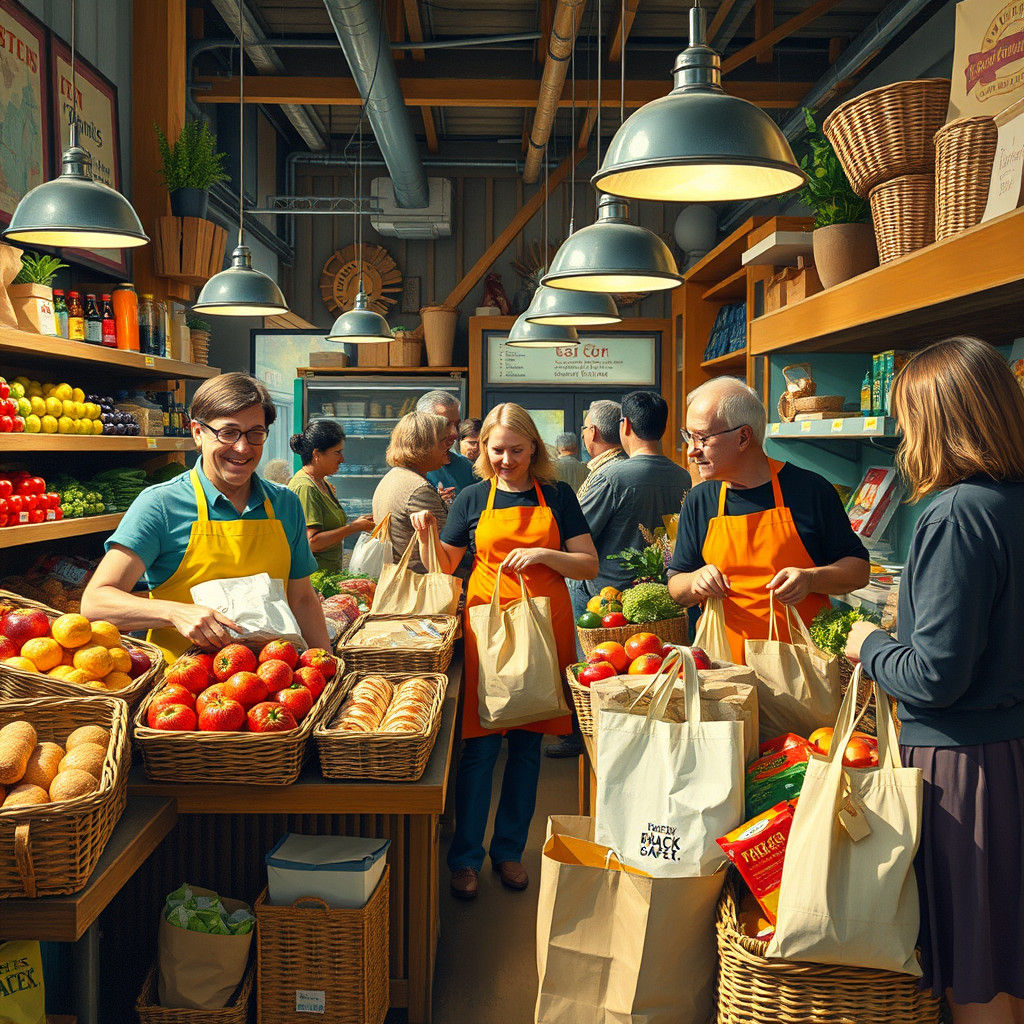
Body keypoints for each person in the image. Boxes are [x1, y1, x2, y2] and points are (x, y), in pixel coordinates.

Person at [845, 337, 1024, 1024]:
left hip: (961, 773)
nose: (902, 436)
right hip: (1011, 757)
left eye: (907, 418)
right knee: (1008, 955)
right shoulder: (1011, 504)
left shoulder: (956, 515)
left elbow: (935, 678)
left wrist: (871, 644)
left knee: (974, 977)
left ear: (939, 422)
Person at [409, 403, 598, 900]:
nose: (507, 460)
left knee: (528, 745)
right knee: (482, 745)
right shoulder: (473, 498)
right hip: (487, 630)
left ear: (534, 447)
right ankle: (466, 858)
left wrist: (543, 555)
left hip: (544, 627)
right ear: (484, 450)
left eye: (516, 450)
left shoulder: (557, 495)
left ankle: (510, 851)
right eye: (497, 450)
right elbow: (444, 568)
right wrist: (428, 534)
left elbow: (587, 565)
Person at [82, 373, 329, 659]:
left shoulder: (285, 504)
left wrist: (328, 664)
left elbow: (302, 599)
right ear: (197, 432)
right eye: (228, 432)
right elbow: (95, 602)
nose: (242, 447)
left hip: (271, 684)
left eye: (255, 434)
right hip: (180, 687)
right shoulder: (160, 505)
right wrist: (174, 612)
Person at [667, 376, 869, 664]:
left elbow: (859, 570)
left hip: (801, 672)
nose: (691, 451)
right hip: (723, 671)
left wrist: (811, 579)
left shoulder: (810, 490)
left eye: (703, 439)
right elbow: (676, 584)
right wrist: (695, 581)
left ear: (743, 437)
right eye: (689, 437)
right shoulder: (701, 500)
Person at [551, 392, 690, 758]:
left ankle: (590, 743)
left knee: (605, 687)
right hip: (665, 599)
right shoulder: (684, 475)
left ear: (625, 426)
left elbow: (576, 538)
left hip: (606, 605)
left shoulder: (612, 478)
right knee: (656, 686)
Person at [287, 419, 375, 573]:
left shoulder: (323, 483)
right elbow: (312, 542)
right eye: (337, 452)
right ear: (316, 454)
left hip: (330, 575)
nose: (342, 459)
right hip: (315, 582)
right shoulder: (305, 487)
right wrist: (353, 527)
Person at [372, 411, 453, 573]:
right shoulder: (419, 489)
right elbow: (446, 548)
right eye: (443, 441)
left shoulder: (393, 476)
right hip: (420, 584)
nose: (447, 447)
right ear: (424, 446)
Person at [419, 389, 475, 502]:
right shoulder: (412, 469)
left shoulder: (466, 467)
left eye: (457, 424)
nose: (454, 433)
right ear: (423, 425)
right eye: (446, 424)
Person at [576, 399, 626, 502]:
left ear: (593, 431)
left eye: (584, 428)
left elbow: (584, 517)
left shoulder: (604, 476)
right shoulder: (624, 463)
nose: (582, 435)